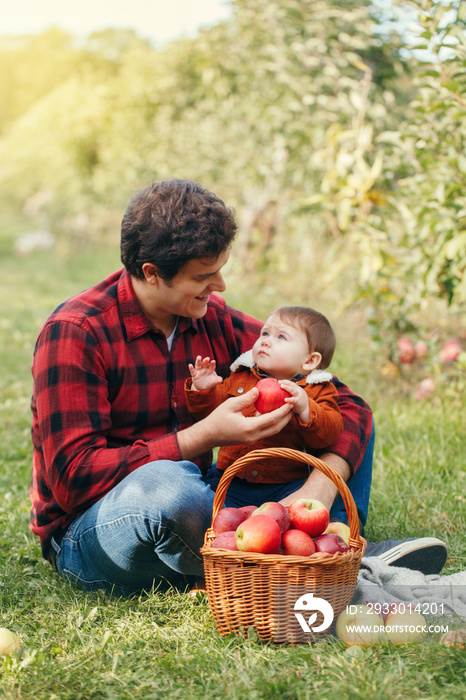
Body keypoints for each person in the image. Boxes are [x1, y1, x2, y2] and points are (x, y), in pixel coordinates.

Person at [29, 178, 447, 595]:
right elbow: (73, 479)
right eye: (205, 275)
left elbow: (349, 401)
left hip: (204, 502)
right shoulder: (77, 332)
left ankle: (299, 549)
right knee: (168, 488)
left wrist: (318, 487)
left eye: (220, 270)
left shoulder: (208, 316)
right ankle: (338, 561)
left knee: (326, 411)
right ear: (152, 273)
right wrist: (205, 435)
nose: (220, 286)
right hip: (95, 530)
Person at [185, 305, 344, 479]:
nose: (265, 341)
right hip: (231, 475)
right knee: (206, 493)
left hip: (284, 483)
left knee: (293, 504)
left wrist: (306, 409)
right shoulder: (242, 376)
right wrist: (203, 390)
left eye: (281, 337)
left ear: (310, 360)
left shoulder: (318, 389)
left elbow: (329, 435)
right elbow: (208, 414)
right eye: (265, 333)